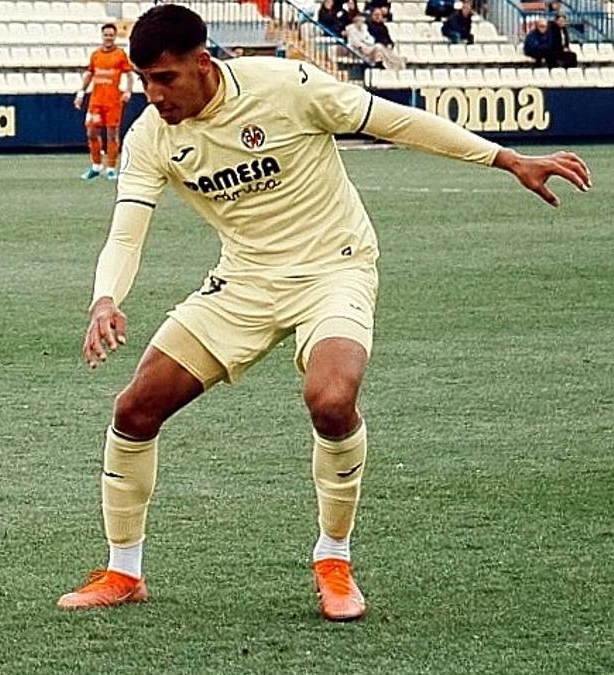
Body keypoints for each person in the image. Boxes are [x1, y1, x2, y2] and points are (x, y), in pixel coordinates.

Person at [56, 4, 590, 620]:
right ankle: (124, 571)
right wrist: (106, 298)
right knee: (135, 408)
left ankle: (333, 560)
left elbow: (396, 122)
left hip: (333, 268)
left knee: (332, 400)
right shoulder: (151, 134)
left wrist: (506, 158)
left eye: (164, 78)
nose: (153, 94)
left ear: (203, 62)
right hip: (244, 282)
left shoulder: (286, 87)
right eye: (143, 79)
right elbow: (127, 232)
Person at [75, 23, 134, 181]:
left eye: (111, 35)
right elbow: (89, 75)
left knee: (112, 134)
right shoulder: (96, 55)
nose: (108, 37)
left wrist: (128, 91)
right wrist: (81, 94)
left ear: (115, 37)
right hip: (96, 101)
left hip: (113, 101)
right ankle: (96, 165)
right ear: (102, 36)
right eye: (106, 35)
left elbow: (129, 75)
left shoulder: (120, 55)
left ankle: (111, 168)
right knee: (91, 132)